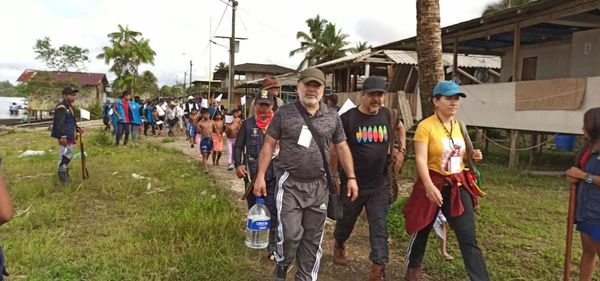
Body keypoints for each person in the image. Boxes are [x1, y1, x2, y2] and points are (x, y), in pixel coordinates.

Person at [253, 68, 359, 281]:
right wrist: (260, 175)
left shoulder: (332, 117)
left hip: (319, 186)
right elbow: (268, 145)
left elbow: (342, 146)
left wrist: (351, 177)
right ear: (299, 86)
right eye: (307, 84)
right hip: (289, 184)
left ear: (323, 89)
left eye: (316, 85)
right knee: (291, 236)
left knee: (312, 240)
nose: (311, 89)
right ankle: (283, 262)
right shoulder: (284, 114)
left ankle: (305, 277)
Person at [403, 81, 488, 281]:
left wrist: (472, 155)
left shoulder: (459, 125)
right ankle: (413, 269)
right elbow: (421, 160)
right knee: (421, 228)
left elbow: (460, 155)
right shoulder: (426, 126)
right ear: (436, 101)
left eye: (456, 98)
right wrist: (429, 187)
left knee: (468, 236)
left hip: (457, 185)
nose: (454, 103)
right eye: (449, 98)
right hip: (432, 182)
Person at [330, 76, 406, 280]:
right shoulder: (348, 119)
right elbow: (336, 148)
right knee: (346, 220)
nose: (376, 99)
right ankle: (339, 242)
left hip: (379, 182)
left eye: (379, 95)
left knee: (379, 225)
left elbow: (400, 127)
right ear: (362, 95)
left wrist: (401, 149)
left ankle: (378, 268)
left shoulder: (388, 115)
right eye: (372, 95)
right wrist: (335, 174)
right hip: (353, 183)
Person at [234, 91, 279, 258]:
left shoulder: (278, 124)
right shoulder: (247, 124)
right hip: (252, 176)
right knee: (254, 208)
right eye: (260, 104)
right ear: (255, 105)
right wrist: (238, 164)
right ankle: (255, 237)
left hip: (273, 175)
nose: (263, 108)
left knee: (272, 210)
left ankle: (272, 246)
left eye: (266, 105)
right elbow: (238, 146)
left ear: (272, 105)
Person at [565, 107, 600, 281]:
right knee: (588, 251)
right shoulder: (589, 148)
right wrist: (574, 177)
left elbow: (586, 176)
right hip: (586, 210)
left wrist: (583, 177)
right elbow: (581, 173)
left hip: (598, 212)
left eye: (585, 124)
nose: (582, 128)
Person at [51, 87, 82, 185]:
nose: (74, 97)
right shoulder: (61, 107)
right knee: (63, 156)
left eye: (74, 95)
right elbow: (59, 124)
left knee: (69, 154)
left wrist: (77, 128)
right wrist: (63, 136)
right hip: (64, 136)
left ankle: (64, 172)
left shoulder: (69, 107)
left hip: (70, 135)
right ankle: (63, 179)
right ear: (64, 95)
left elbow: (71, 121)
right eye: (71, 95)